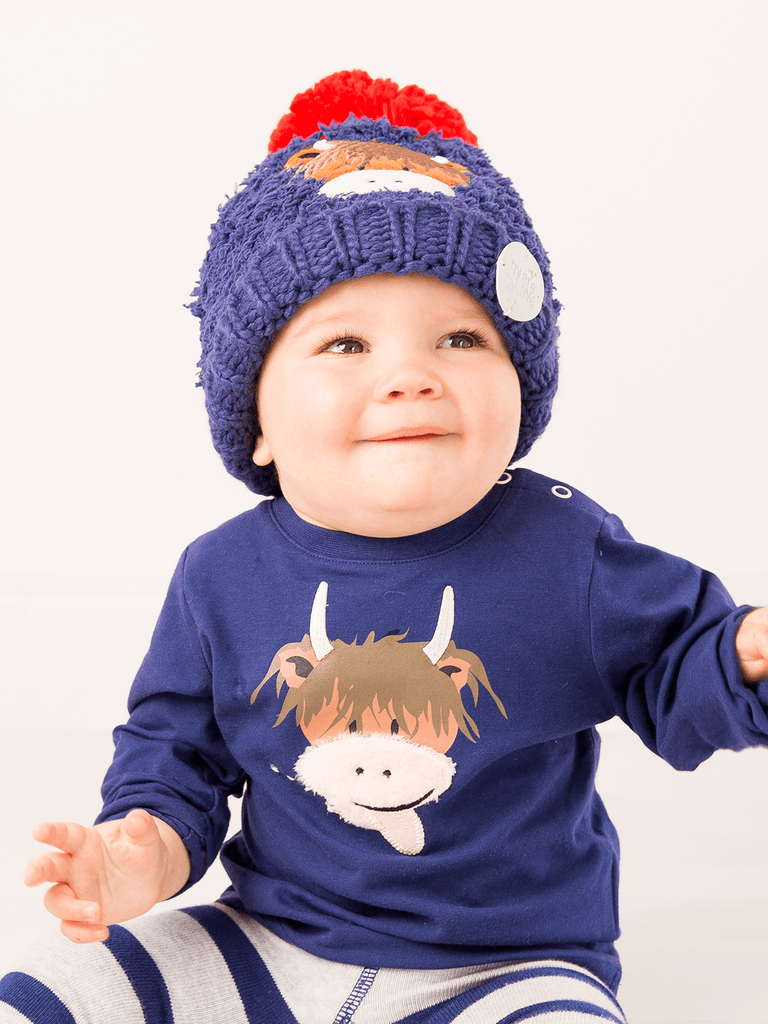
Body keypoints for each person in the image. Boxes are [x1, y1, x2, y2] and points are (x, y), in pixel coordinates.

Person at [2, 69, 767, 1024]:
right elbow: (177, 756)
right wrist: (141, 849)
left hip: (505, 966)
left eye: (461, 340)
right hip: (271, 939)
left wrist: (742, 654)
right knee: (54, 983)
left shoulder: (567, 548)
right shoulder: (219, 575)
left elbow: (678, 667)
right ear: (257, 423)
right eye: (346, 346)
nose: (411, 376)